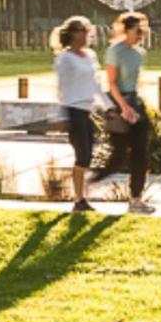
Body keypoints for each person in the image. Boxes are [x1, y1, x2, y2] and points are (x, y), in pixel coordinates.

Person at [49, 14, 105, 214]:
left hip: (87, 110)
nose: (86, 34)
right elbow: (61, 88)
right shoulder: (65, 58)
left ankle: (80, 195)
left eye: (87, 30)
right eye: (82, 30)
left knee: (89, 154)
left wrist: (108, 108)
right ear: (72, 34)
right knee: (82, 155)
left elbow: (96, 85)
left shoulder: (90, 56)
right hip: (73, 111)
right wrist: (62, 116)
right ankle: (79, 200)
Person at [105, 9, 156, 215]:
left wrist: (134, 107)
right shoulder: (115, 51)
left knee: (140, 153)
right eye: (137, 30)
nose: (141, 34)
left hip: (135, 102)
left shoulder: (139, 54)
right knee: (118, 156)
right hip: (118, 103)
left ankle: (136, 199)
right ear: (126, 31)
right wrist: (124, 108)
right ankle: (89, 181)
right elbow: (112, 84)